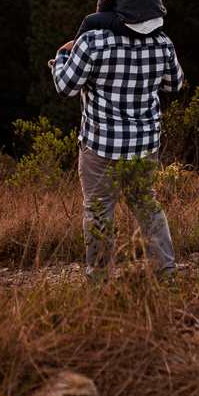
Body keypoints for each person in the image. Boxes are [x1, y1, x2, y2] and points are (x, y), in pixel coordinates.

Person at [49, 17, 184, 281]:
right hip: (144, 146)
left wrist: (62, 55)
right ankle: (166, 273)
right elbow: (174, 84)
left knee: (98, 209)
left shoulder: (92, 41)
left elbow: (65, 87)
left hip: (101, 146)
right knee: (146, 204)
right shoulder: (162, 41)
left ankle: (99, 279)